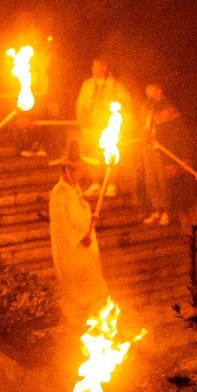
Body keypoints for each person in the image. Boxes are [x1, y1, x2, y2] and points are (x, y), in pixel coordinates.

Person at [47, 141, 109, 322]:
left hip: (86, 245)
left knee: (92, 282)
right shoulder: (58, 194)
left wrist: (91, 220)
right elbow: (60, 225)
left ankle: (97, 318)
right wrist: (80, 238)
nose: (81, 174)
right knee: (77, 288)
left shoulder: (76, 189)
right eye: (78, 170)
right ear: (67, 170)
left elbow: (79, 214)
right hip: (71, 249)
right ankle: (78, 320)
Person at [75, 59, 132, 192]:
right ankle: (96, 183)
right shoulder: (87, 84)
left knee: (108, 153)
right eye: (92, 66)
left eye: (96, 67)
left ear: (104, 68)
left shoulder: (114, 85)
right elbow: (80, 104)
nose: (93, 69)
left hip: (107, 127)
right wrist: (83, 120)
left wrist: (121, 121)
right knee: (92, 155)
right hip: (90, 127)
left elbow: (127, 103)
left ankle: (110, 183)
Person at [137, 84, 180, 226]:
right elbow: (141, 122)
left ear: (158, 89)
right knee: (150, 179)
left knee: (162, 180)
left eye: (150, 88)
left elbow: (170, 127)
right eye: (146, 88)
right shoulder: (146, 105)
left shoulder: (167, 104)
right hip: (147, 146)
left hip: (160, 148)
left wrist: (158, 137)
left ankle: (166, 212)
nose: (146, 90)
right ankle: (157, 210)